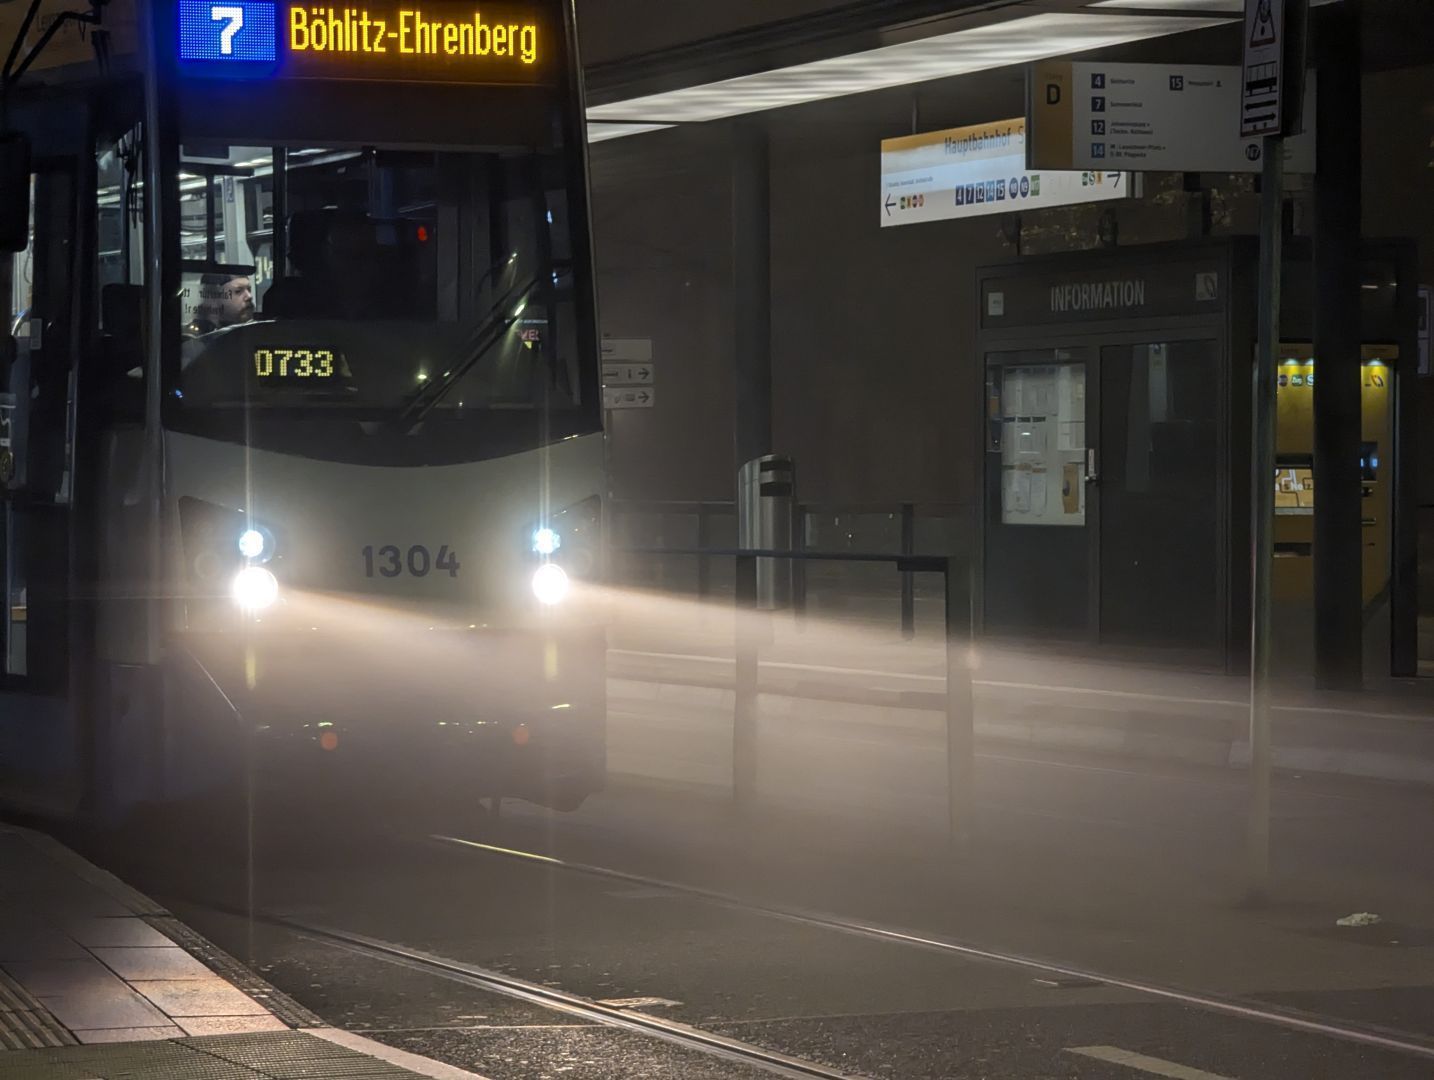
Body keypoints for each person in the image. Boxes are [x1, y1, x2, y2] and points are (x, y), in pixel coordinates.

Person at [186, 273, 254, 335]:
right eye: (238, 291)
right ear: (212, 298)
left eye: (249, 290)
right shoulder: (191, 339)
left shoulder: (255, 332)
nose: (249, 296)